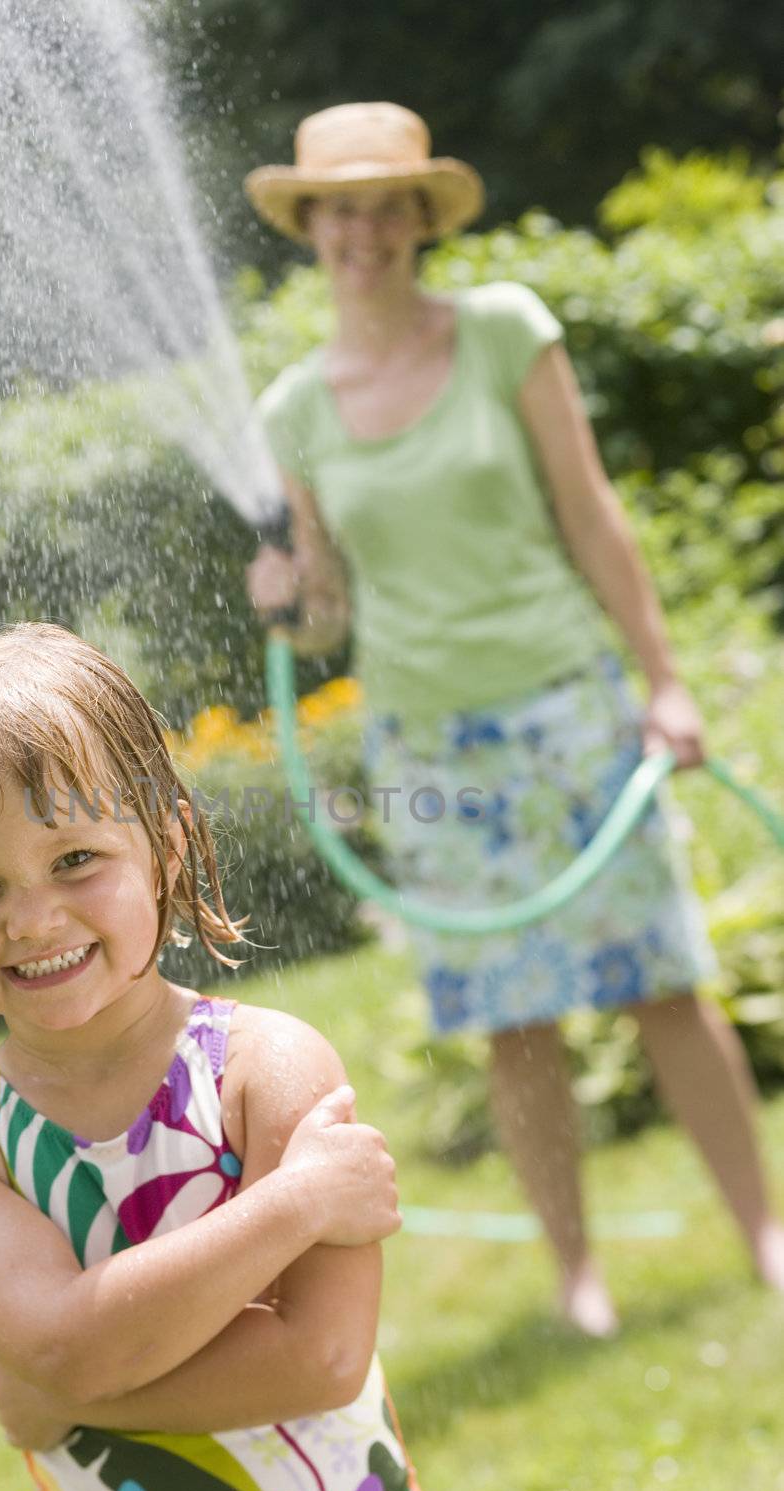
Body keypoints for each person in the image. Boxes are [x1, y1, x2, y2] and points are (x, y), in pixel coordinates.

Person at [244, 101, 784, 1337]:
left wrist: (661, 680)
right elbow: (320, 608)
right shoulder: (295, 413)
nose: (364, 229)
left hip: (568, 704)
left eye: (389, 204)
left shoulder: (499, 334)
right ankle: (575, 1277)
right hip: (427, 743)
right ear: (310, 225)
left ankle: (760, 1234)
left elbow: (591, 516)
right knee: (510, 1019)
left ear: (421, 218)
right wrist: (282, 595)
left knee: (664, 980)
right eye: (341, 206)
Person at [0, 621, 455, 1491]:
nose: (32, 917)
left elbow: (320, 1356)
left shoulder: (261, 1071)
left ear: (165, 846)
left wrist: (61, 1397)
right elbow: (60, 1340)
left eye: (75, 859)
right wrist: (296, 1204)